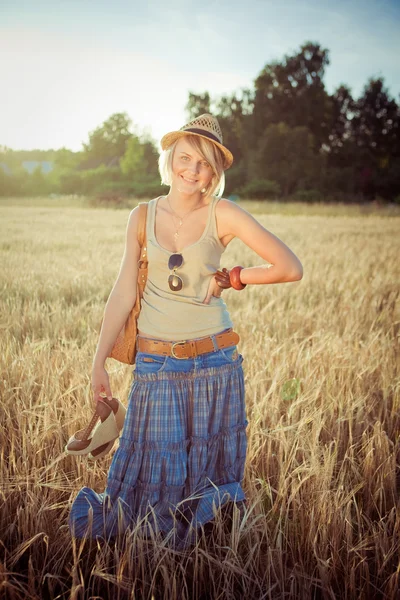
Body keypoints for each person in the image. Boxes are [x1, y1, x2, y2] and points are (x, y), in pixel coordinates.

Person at [69, 113, 303, 549]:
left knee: (206, 479)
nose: (192, 170)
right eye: (185, 158)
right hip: (157, 363)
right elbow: (122, 293)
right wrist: (98, 361)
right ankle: (152, 560)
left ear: (214, 174)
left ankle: (202, 556)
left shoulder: (224, 213)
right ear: (170, 158)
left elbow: (290, 267)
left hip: (216, 361)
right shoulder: (141, 216)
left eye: (204, 164)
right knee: (145, 483)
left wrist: (233, 276)